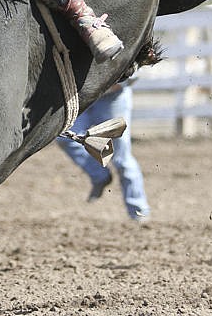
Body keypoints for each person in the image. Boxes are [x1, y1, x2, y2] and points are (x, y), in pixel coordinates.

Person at [57, 83, 151, 221]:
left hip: (112, 98)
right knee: (66, 138)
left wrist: (119, 81)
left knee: (121, 159)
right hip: (82, 97)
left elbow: (137, 66)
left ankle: (139, 212)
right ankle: (100, 175)